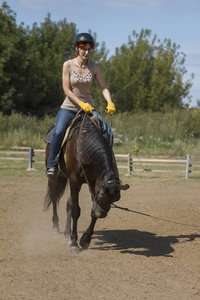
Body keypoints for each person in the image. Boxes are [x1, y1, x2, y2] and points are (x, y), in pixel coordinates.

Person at [46, 32, 116, 176]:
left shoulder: (94, 67)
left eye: (89, 49)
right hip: (69, 107)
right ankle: (52, 164)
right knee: (58, 132)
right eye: (83, 48)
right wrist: (80, 104)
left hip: (89, 108)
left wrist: (110, 102)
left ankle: (107, 165)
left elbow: (103, 87)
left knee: (108, 133)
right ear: (77, 48)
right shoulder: (68, 65)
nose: (86, 52)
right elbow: (66, 89)